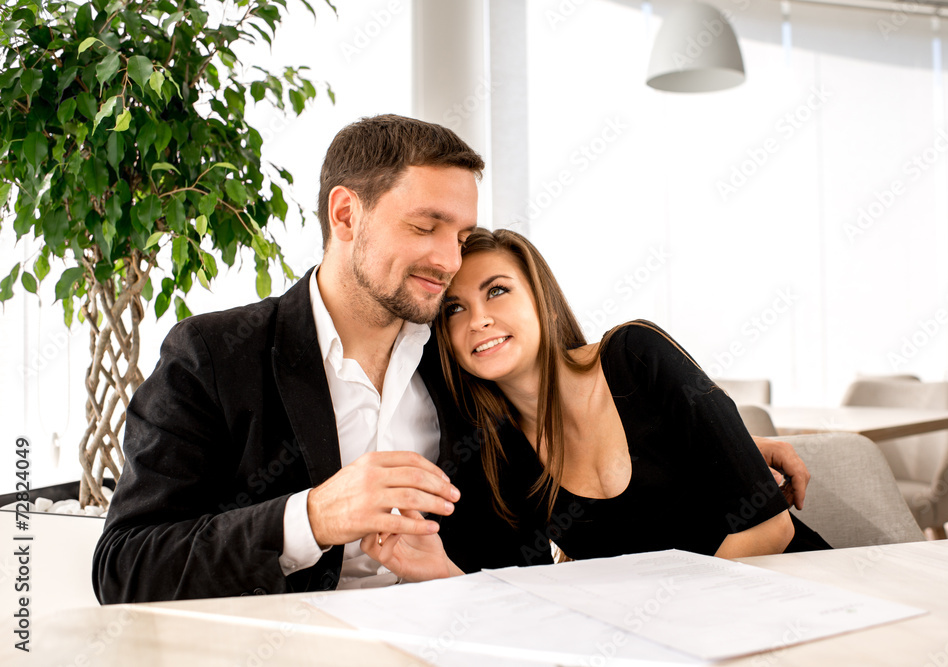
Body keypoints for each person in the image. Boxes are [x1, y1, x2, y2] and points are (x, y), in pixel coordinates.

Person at [94, 115, 813, 602]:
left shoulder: (466, 368)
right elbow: (125, 564)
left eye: (462, 232)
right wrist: (311, 515)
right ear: (346, 215)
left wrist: (718, 448)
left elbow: (543, 521)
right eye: (426, 225)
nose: (449, 259)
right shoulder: (215, 355)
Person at [362, 229, 826, 581]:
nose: (479, 320)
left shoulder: (635, 356)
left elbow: (770, 530)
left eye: (497, 290)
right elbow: (515, 599)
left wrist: (676, 620)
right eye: (454, 308)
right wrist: (441, 573)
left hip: (791, 590)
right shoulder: (498, 454)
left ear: (539, 297)